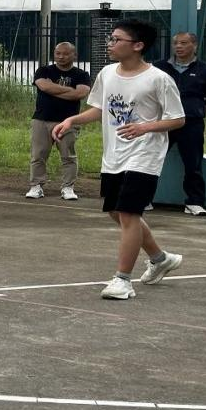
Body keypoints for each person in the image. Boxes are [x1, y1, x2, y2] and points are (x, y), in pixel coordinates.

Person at [52, 19, 186, 301]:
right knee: (117, 211)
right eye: (110, 39)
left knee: (128, 213)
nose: (110, 44)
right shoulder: (108, 73)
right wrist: (72, 120)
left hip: (145, 155)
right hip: (114, 155)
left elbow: (178, 119)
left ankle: (122, 280)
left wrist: (145, 127)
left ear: (137, 46)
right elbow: (98, 109)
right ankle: (160, 259)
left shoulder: (159, 79)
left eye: (116, 40)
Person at [153, 32, 206, 216]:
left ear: (195, 45)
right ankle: (143, 198)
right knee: (150, 160)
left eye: (183, 43)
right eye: (175, 43)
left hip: (191, 124)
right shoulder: (159, 68)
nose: (178, 46)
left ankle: (195, 202)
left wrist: (196, 111)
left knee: (193, 163)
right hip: (163, 122)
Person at [27, 42, 92, 201]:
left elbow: (80, 94)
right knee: (38, 154)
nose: (61, 57)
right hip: (42, 119)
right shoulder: (44, 70)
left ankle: (68, 187)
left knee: (68, 155)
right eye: (58, 53)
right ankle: (36, 186)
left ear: (74, 55)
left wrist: (53, 88)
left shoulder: (81, 75)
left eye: (65, 54)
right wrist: (70, 91)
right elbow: (44, 86)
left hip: (68, 121)